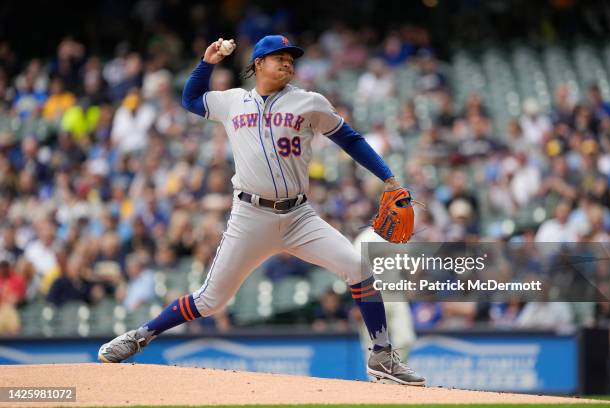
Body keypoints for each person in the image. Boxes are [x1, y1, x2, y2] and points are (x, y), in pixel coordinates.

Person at [98, 35, 424, 386]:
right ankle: (141, 336)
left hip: (299, 217)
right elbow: (190, 98)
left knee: (359, 268)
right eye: (278, 57)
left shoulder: (309, 102)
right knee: (210, 300)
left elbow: (351, 139)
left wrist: (388, 178)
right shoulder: (233, 102)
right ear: (257, 64)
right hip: (250, 217)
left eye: (290, 58)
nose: (287, 62)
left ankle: (382, 357)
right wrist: (207, 63)